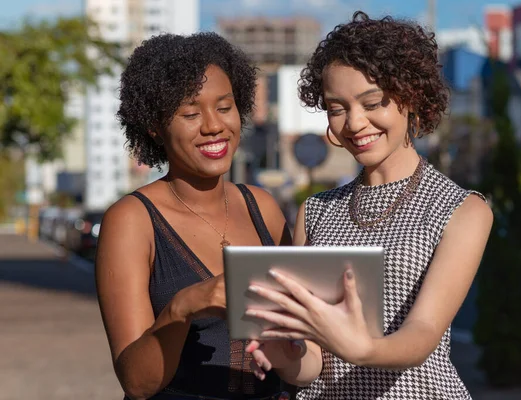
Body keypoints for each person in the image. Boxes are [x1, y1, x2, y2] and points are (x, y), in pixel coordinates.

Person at [244, 11, 493, 400]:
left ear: (410, 98)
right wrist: (285, 355)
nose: (355, 123)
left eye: (372, 102)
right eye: (337, 107)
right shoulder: (315, 211)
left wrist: (363, 349)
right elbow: (313, 363)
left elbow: (423, 333)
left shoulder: (461, 210)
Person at [95, 32, 321, 400]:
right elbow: (136, 383)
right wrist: (183, 308)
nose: (213, 125)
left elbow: (302, 345)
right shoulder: (132, 220)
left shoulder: (262, 206)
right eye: (189, 113)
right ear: (154, 126)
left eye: (225, 106)